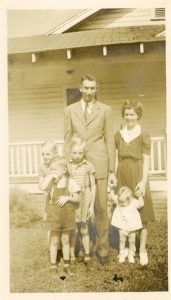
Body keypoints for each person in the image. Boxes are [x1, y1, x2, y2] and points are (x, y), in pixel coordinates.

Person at [64, 74, 117, 264]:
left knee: (101, 207)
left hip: (100, 162)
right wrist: (65, 168)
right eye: (86, 88)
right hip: (78, 166)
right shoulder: (70, 110)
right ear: (80, 88)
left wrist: (111, 171)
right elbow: (67, 140)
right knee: (78, 207)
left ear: (96, 89)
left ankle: (102, 250)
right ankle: (81, 248)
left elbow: (110, 140)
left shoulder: (106, 110)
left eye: (92, 88)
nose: (89, 92)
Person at [114, 99, 155, 266]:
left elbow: (146, 159)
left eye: (133, 114)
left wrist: (143, 181)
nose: (129, 117)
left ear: (138, 116)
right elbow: (117, 158)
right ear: (123, 115)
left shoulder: (143, 133)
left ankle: (142, 250)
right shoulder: (119, 134)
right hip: (122, 173)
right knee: (123, 210)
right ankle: (124, 248)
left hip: (138, 173)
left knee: (142, 213)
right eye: (127, 114)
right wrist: (114, 176)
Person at [39, 157, 81, 274]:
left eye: (54, 170)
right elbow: (42, 187)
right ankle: (53, 264)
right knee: (54, 240)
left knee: (65, 240)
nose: (52, 172)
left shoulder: (71, 182)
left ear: (63, 170)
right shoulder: (52, 183)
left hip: (67, 217)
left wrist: (68, 197)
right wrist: (49, 177)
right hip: (55, 216)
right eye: (50, 170)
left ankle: (66, 263)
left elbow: (77, 199)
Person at [68, 136, 96, 265]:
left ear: (84, 153)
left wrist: (91, 206)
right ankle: (72, 254)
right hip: (73, 199)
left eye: (80, 153)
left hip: (85, 198)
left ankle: (87, 254)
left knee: (84, 228)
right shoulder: (68, 166)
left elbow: (93, 186)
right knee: (73, 228)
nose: (77, 155)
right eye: (75, 152)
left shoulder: (88, 165)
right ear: (70, 152)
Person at [110, 186, 144, 263]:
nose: (121, 204)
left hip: (132, 227)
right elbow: (112, 197)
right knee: (122, 240)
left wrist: (140, 196)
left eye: (123, 202)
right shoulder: (119, 201)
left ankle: (131, 254)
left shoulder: (133, 202)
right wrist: (111, 189)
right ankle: (122, 253)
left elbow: (141, 204)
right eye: (120, 202)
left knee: (132, 241)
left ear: (129, 199)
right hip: (122, 226)